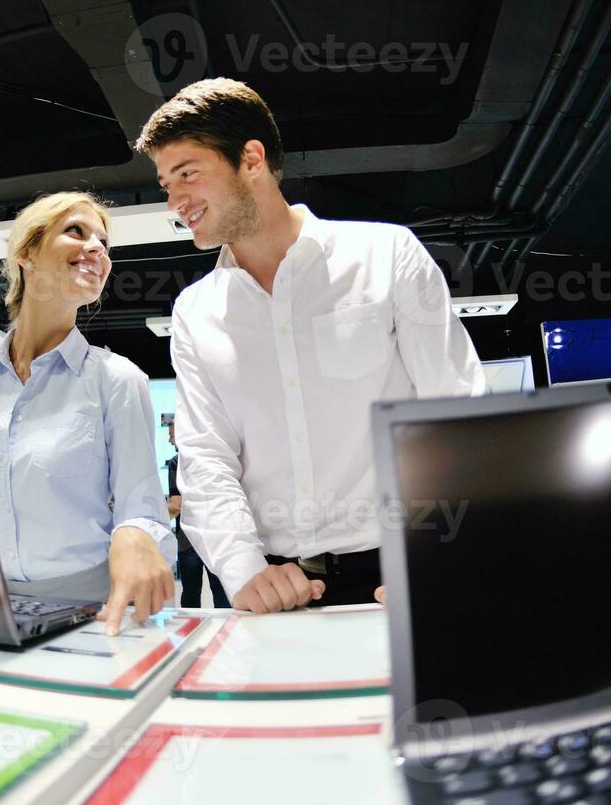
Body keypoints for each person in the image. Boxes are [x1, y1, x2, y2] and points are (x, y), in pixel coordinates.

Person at [137, 78, 485, 613]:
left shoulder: (386, 255)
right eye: (166, 184)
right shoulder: (195, 310)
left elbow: (455, 410)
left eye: (187, 174)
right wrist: (243, 571)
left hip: (398, 573)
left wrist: (439, 552)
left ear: (251, 159)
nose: (175, 200)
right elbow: (206, 456)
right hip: (269, 587)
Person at [0, 192, 175, 634]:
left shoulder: (117, 380)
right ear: (27, 253)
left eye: (104, 243)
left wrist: (140, 536)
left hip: (89, 613)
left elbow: (141, 508)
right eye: (77, 232)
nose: (98, 250)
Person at [163, 416, 230, 608]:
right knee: (221, 592)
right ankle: (227, 634)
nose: (169, 440)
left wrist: (154, 519)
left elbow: (176, 504)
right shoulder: (212, 460)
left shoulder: (177, 463)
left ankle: (188, 633)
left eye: (172, 435)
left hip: (189, 539)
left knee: (191, 593)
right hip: (214, 536)